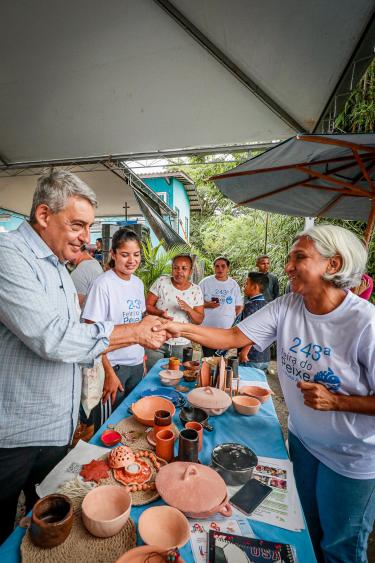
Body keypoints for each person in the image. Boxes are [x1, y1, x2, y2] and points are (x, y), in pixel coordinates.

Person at [157, 225, 375, 563]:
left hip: (351, 459)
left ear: (333, 265)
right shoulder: (288, 305)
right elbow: (232, 336)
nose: (287, 267)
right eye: (289, 258)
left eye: (299, 257)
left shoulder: (364, 323)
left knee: (340, 548)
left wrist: (338, 401)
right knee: (311, 530)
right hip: (304, 443)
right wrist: (181, 327)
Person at [0, 170, 166, 544]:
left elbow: (73, 321)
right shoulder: (8, 254)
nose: (85, 238)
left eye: (89, 227)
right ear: (44, 215)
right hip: (14, 434)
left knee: (47, 523)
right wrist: (134, 331)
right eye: (77, 225)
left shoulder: (58, 266)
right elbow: (54, 337)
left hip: (55, 428)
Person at [82, 228, 146, 429]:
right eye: (125, 254)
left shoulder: (138, 283)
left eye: (136, 255)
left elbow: (138, 323)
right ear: (113, 254)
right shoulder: (103, 284)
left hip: (135, 366)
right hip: (113, 368)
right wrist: (108, 373)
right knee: (108, 427)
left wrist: (142, 360)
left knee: (132, 423)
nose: (131, 260)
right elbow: (91, 333)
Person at [146, 254, 204, 362]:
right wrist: (159, 313)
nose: (179, 271)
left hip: (182, 343)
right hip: (157, 338)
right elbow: (147, 306)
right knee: (152, 375)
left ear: (190, 271)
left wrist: (189, 309)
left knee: (178, 376)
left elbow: (199, 320)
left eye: (184, 268)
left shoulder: (196, 290)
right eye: (176, 268)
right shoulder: (162, 282)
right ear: (172, 269)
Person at [199, 256, 243, 357]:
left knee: (220, 360)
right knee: (208, 358)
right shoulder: (205, 282)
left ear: (228, 268)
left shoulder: (233, 284)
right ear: (214, 268)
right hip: (207, 329)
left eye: (223, 266)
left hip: (226, 332)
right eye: (217, 266)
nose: (220, 269)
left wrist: (233, 324)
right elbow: (195, 303)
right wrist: (207, 304)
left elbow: (238, 306)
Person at [238, 272, 270, 371]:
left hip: (250, 357)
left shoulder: (251, 306)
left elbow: (251, 332)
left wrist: (244, 352)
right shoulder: (267, 305)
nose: (244, 286)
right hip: (264, 356)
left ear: (255, 287)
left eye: (247, 283)